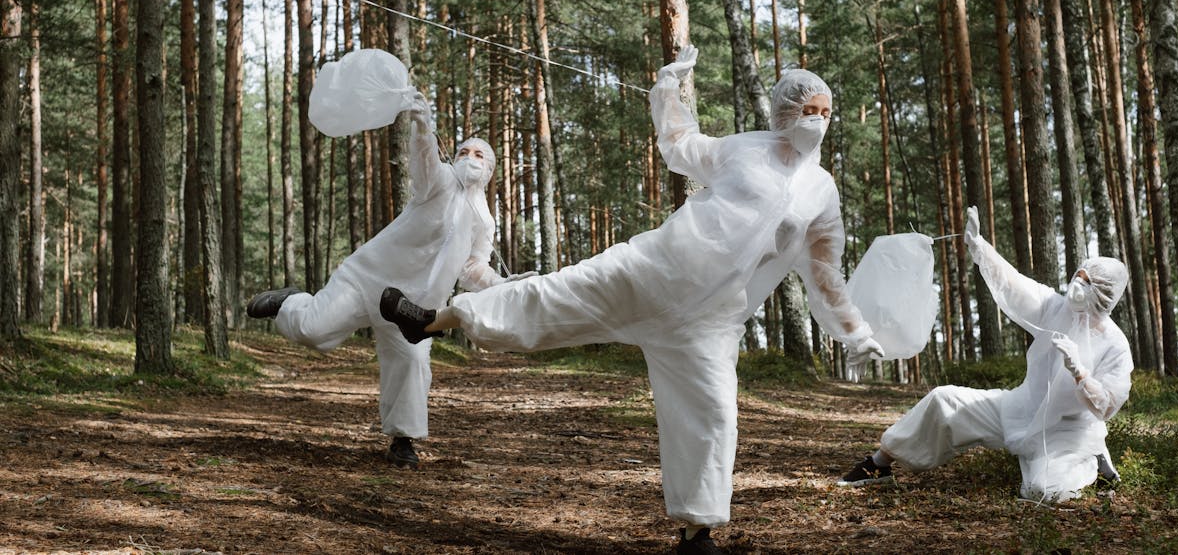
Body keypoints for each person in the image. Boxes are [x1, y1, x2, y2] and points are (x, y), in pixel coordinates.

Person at [379, 46, 885, 554]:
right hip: (653, 270)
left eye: (825, 113)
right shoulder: (740, 151)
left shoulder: (821, 192)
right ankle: (428, 322)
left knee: (712, 417)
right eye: (808, 111)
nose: (816, 122)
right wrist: (667, 87)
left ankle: (696, 533)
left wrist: (855, 330)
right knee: (552, 295)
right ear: (784, 112)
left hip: (707, 321)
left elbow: (824, 271)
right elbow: (681, 142)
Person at [246, 93, 533, 469]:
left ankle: (402, 440)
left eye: (479, 155)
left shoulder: (484, 220)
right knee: (315, 331)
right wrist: (422, 126)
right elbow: (425, 164)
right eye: (463, 151)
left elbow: (473, 269)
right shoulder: (441, 181)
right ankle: (290, 301)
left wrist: (503, 285)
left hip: (409, 309)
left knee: (413, 364)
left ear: (490, 168)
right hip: (367, 277)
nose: (468, 158)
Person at [837, 206, 1132, 503]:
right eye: (1078, 275)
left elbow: (1106, 406)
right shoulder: (1056, 308)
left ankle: (1093, 461)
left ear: (1104, 294)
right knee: (944, 399)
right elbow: (1014, 284)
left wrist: (1080, 372)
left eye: (1087, 281)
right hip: (1019, 407)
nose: (1076, 284)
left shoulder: (1115, 346)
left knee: (1042, 492)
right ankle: (878, 465)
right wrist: (980, 247)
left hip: (1067, 432)